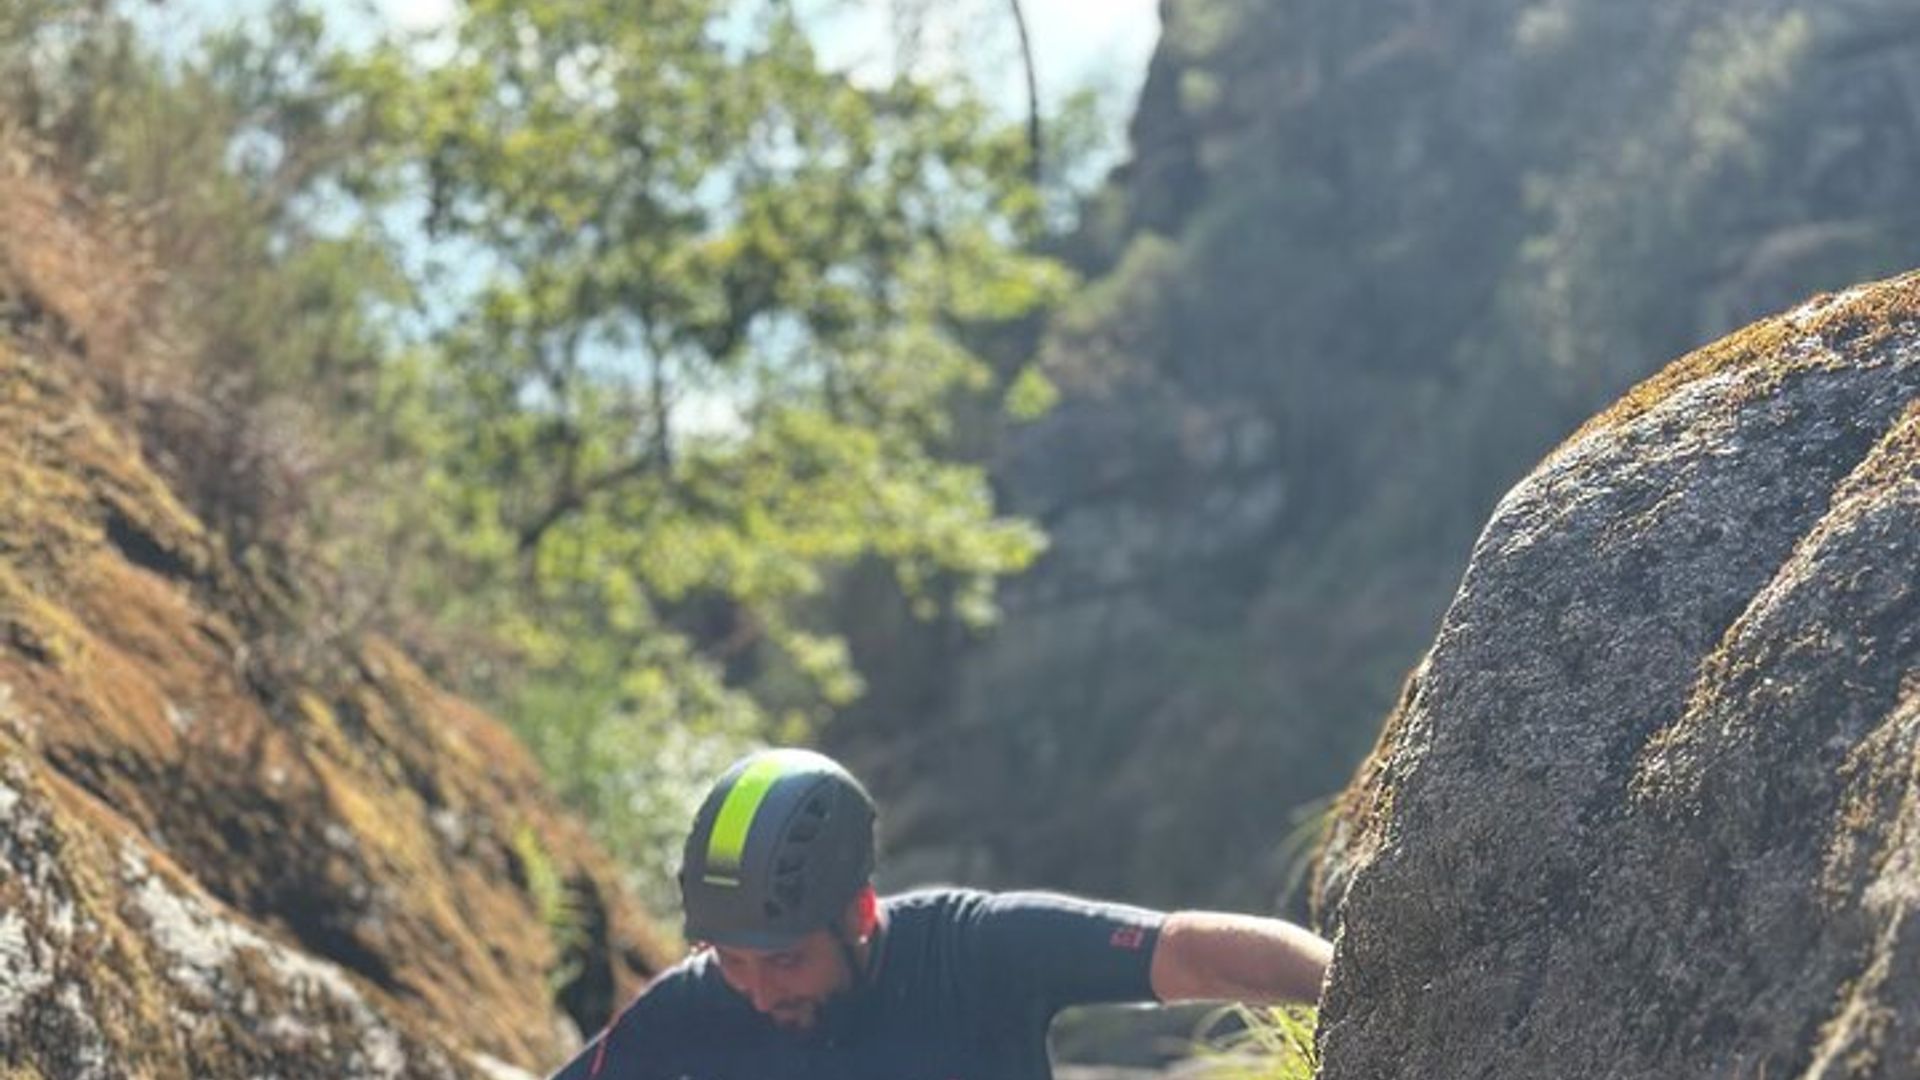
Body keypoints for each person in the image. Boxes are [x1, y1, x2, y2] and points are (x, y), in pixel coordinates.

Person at [549, 747, 1332, 1080]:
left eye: (784, 959)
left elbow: (1189, 951)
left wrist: (1355, 985)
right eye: (731, 959)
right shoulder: (692, 1007)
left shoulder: (974, 949)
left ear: (858, 910)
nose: (755, 989)